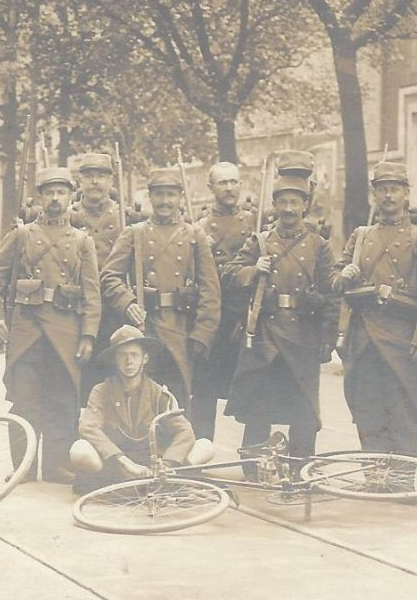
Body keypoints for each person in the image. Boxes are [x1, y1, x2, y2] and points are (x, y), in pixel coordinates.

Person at [0, 166, 101, 482]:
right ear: (39, 197)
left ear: (71, 197)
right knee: (24, 400)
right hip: (26, 331)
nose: (54, 198)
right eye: (49, 192)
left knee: (62, 401)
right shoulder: (22, 235)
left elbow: (92, 292)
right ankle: (22, 467)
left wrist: (89, 334)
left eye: (61, 192)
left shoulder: (81, 241)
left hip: (66, 332)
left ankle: (56, 465)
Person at [335, 161, 417, 466]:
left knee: (402, 412)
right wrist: (345, 273)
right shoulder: (361, 236)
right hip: (364, 338)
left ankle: (403, 481)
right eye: (382, 189)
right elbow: (335, 278)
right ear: (374, 195)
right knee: (367, 411)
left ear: (406, 194)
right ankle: (375, 479)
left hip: (403, 340)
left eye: (394, 189)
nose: (388, 196)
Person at [224, 166, 337, 462]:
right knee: (259, 403)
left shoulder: (319, 246)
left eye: (295, 203)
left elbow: (331, 293)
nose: (289, 209)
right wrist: (252, 270)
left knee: (304, 405)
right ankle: (253, 464)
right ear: (274, 206)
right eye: (283, 202)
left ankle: (300, 467)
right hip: (266, 335)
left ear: (305, 206)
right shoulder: (259, 242)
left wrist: (328, 336)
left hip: (303, 335)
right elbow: (230, 274)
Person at [100, 165, 221, 411]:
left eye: (171, 194)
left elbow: (211, 291)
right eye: (159, 194)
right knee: (140, 401)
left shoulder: (194, 235)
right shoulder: (134, 233)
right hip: (145, 329)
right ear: (150, 197)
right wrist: (128, 303)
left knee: (177, 402)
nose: (165, 201)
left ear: (179, 197)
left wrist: (202, 334)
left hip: (182, 330)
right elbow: (109, 276)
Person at [69, 325, 216, 494]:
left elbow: (184, 431)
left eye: (134, 355)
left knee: (205, 446)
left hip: (153, 464)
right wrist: (123, 461)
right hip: (116, 463)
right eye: (122, 355)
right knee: (79, 449)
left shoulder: (158, 393)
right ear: (115, 360)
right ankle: (168, 485)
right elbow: (88, 428)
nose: (129, 361)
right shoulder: (101, 391)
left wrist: (169, 463)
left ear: (144, 359)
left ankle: (172, 477)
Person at [190, 161, 254, 442]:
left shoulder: (255, 224)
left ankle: (253, 457)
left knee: (255, 387)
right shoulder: (199, 228)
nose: (229, 188)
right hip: (214, 317)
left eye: (233, 182)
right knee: (204, 390)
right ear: (210, 188)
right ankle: (200, 452)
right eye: (222, 183)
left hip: (247, 315)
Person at [70, 152, 128, 404]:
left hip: (114, 310)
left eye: (101, 176)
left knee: (115, 378)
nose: (95, 182)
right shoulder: (69, 215)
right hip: (76, 310)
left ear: (111, 181)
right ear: (79, 181)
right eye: (89, 176)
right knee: (76, 379)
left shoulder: (125, 218)